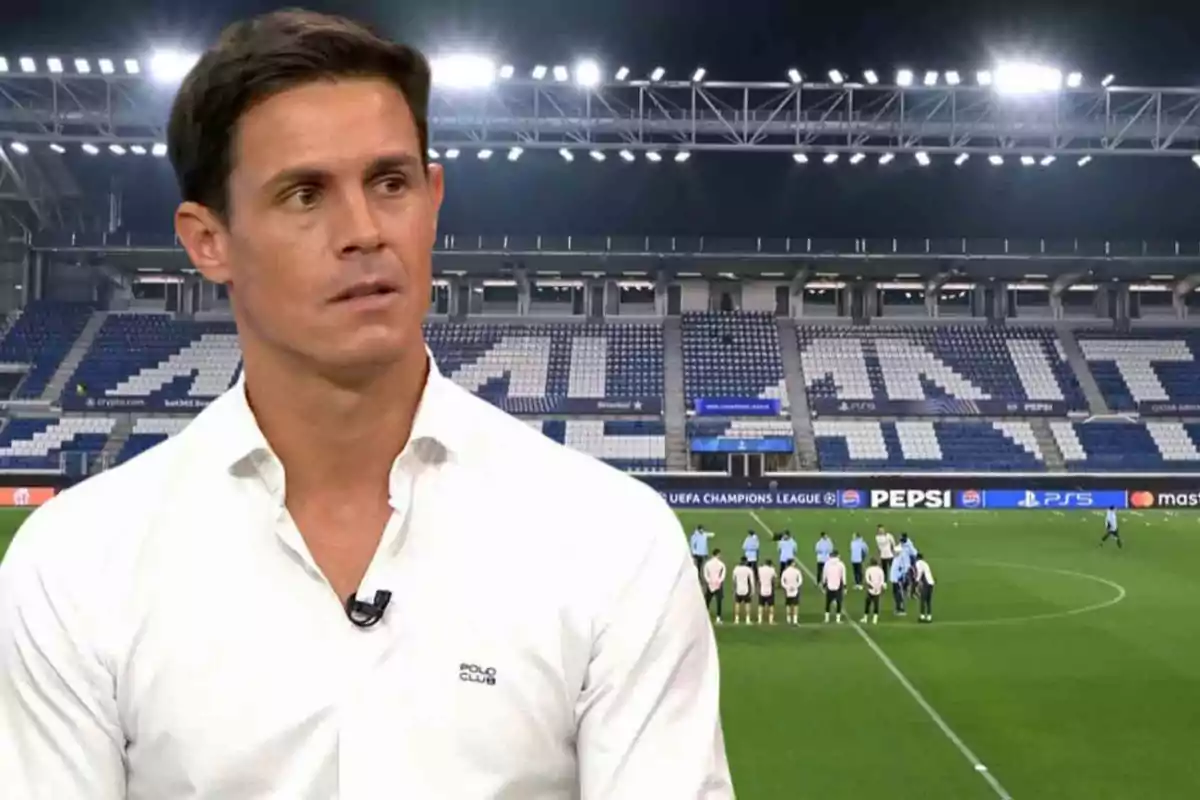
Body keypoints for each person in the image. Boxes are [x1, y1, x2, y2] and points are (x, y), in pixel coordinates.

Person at [0, 12, 732, 798]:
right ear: (207, 240)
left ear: (434, 198)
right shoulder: (72, 569)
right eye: (304, 194)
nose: (363, 231)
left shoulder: (612, 542)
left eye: (390, 182)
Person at [821, 549, 847, 624]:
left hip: (829, 585)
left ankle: (826, 618)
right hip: (838, 585)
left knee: (828, 602)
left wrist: (824, 584)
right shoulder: (841, 564)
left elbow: (824, 574)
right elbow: (843, 576)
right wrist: (845, 586)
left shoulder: (827, 563)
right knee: (839, 602)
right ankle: (838, 619)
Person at [703, 549, 727, 624]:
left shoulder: (708, 564)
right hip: (718, 584)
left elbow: (705, 573)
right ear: (718, 554)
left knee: (707, 601)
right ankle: (718, 618)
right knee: (719, 601)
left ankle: (704, 617)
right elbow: (723, 575)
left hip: (710, 583)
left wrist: (709, 581)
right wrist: (719, 581)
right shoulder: (721, 564)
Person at [861, 558, 886, 625]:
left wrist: (870, 585)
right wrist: (881, 587)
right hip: (878, 588)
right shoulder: (880, 570)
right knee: (876, 604)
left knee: (867, 603)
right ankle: (875, 619)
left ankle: (865, 618)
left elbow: (867, 579)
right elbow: (882, 580)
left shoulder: (869, 569)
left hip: (870, 588)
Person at [914, 552, 936, 623]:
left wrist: (916, 582)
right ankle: (929, 617)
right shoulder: (925, 563)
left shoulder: (918, 563)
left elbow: (920, 572)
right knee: (928, 601)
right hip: (931, 583)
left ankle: (922, 616)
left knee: (922, 600)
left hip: (926, 583)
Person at [732, 557, 755, 625]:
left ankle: (736, 619)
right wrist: (753, 590)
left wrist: (734, 589)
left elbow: (734, 580)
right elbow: (752, 581)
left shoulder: (736, 569)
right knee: (747, 604)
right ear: (746, 562)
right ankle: (747, 619)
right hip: (746, 589)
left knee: (737, 604)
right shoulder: (748, 570)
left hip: (738, 589)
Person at [780, 560, 803, 626]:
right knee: (795, 605)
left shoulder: (785, 572)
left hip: (787, 591)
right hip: (795, 590)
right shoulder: (797, 571)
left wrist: (787, 587)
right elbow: (800, 581)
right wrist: (795, 586)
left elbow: (782, 582)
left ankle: (788, 619)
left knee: (788, 605)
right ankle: (795, 620)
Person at [756, 559, 778, 626]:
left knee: (760, 605)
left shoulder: (760, 569)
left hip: (762, 589)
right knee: (771, 605)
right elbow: (775, 577)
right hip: (769, 589)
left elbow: (758, 576)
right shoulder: (772, 570)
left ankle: (759, 620)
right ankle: (771, 620)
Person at [889, 548, 909, 616]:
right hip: (894, 580)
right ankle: (897, 608)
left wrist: (901, 576)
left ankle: (901, 609)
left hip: (898, 580)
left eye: (895, 551)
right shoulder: (895, 558)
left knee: (899, 595)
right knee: (895, 595)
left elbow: (904, 569)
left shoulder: (901, 560)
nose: (893, 552)